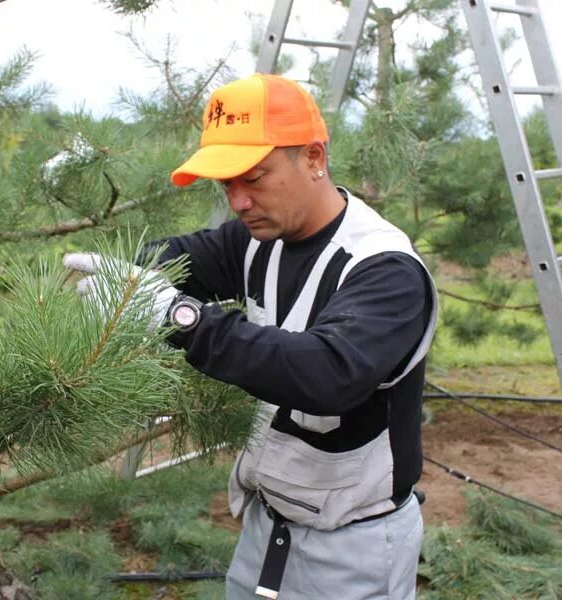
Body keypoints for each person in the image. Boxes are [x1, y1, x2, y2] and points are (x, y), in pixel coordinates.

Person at [65, 73, 437, 599]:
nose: (238, 202)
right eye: (226, 184)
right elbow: (182, 258)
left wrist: (178, 317)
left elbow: (325, 373)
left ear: (312, 158)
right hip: (266, 526)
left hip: (351, 545)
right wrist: (118, 275)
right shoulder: (261, 238)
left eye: (255, 177)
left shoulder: (384, 270)